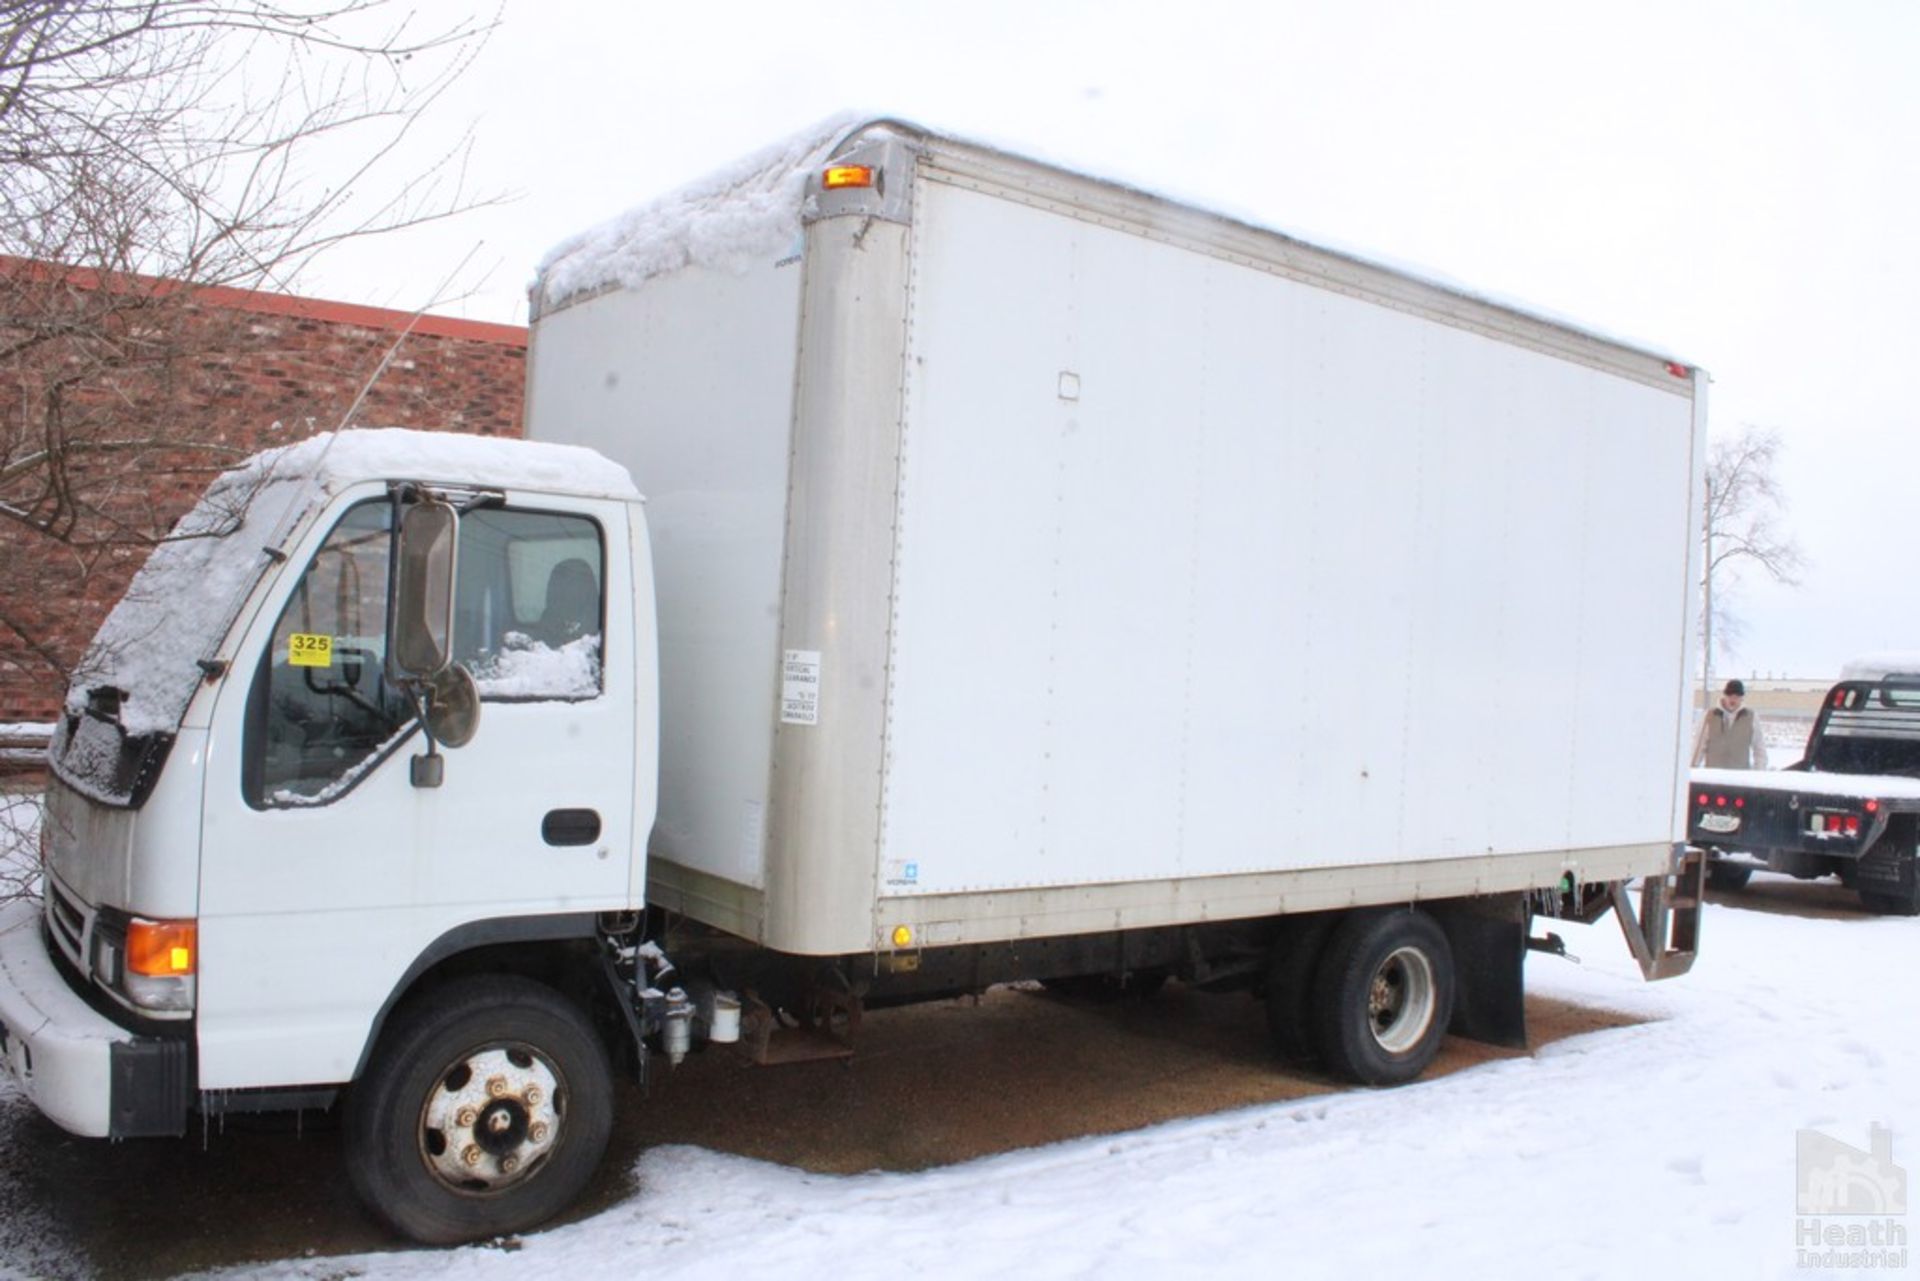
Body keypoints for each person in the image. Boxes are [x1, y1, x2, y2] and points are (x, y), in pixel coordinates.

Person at [1692, 678, 1767, 769]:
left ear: (1741, 698)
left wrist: (1759, 773)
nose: (1733, 699)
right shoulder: (1710, 716)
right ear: (1724, 696)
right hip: (1713, 777)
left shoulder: (1751, 717)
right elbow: (1698, 748)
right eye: (1730, 695)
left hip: (1739, 778)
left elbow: (1759, 749)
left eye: (1737, 696)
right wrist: (1692, 770)